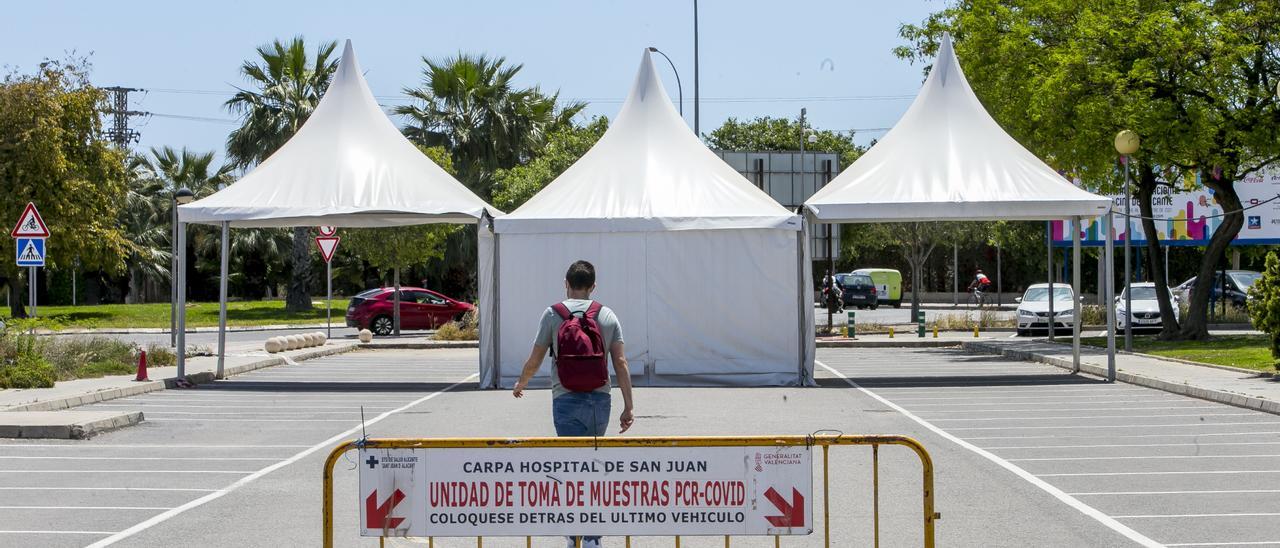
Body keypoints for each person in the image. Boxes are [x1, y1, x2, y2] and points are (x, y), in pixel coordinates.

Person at [513, 260, 634, 548]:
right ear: (593, 286)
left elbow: (536, 357)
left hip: (564, 398)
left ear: (565, 283)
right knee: (592, 466)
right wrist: (629, 406)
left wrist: (522, 383)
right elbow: (620, 361)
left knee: (571, 468)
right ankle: (592, 537)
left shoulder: (553, 314)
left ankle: (574, 534)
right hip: (600, 400)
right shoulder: (607, 315)